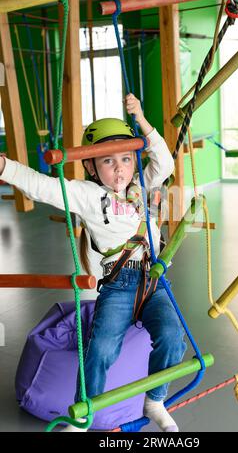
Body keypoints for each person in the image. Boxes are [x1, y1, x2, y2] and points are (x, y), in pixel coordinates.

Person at [0, 94, 187, 432]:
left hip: (152, 280)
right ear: (90, 166)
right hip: (118, 285)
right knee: (100, 349)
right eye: (107, 161)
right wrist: (6, 168)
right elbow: (42, 187)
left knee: (173, 336)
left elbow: (165, 161)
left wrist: (142, 121)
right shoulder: (87, 196)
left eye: (127, 159)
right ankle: (82, 415)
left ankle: (154, 398)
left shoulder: (142, 184)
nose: (120, 169)